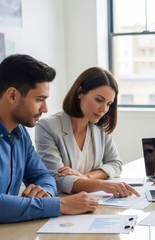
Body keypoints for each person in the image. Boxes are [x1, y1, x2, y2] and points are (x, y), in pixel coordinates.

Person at [0, 54, 99, 239]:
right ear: (12, 95)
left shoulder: (19, 133)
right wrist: (61, 205)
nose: (45, 108)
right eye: (39, 99)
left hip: (1, 231)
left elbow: (43, 175)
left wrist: (44, 191)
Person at [35, 67, 139, 198]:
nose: (103, 109)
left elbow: (115, 164)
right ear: (80, 92)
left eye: (109, 104)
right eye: (99, 100)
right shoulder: (47, 127)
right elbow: (57, 179)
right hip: (65, 203)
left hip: (92, 201)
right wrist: (102, 184)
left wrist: (86, 177)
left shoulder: (100, 128)